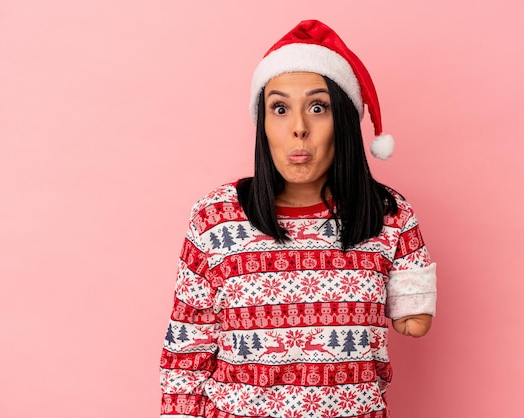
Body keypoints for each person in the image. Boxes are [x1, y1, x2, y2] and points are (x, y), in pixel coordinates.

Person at [159, 20, 437, 418]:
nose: (299, 129)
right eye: (280, 108)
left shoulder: (389, 215)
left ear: (343, 120)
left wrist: (414, 306)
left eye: (318, 107)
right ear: (264, 123)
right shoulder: (215, 217)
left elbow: (415, 317)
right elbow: (186, 350)